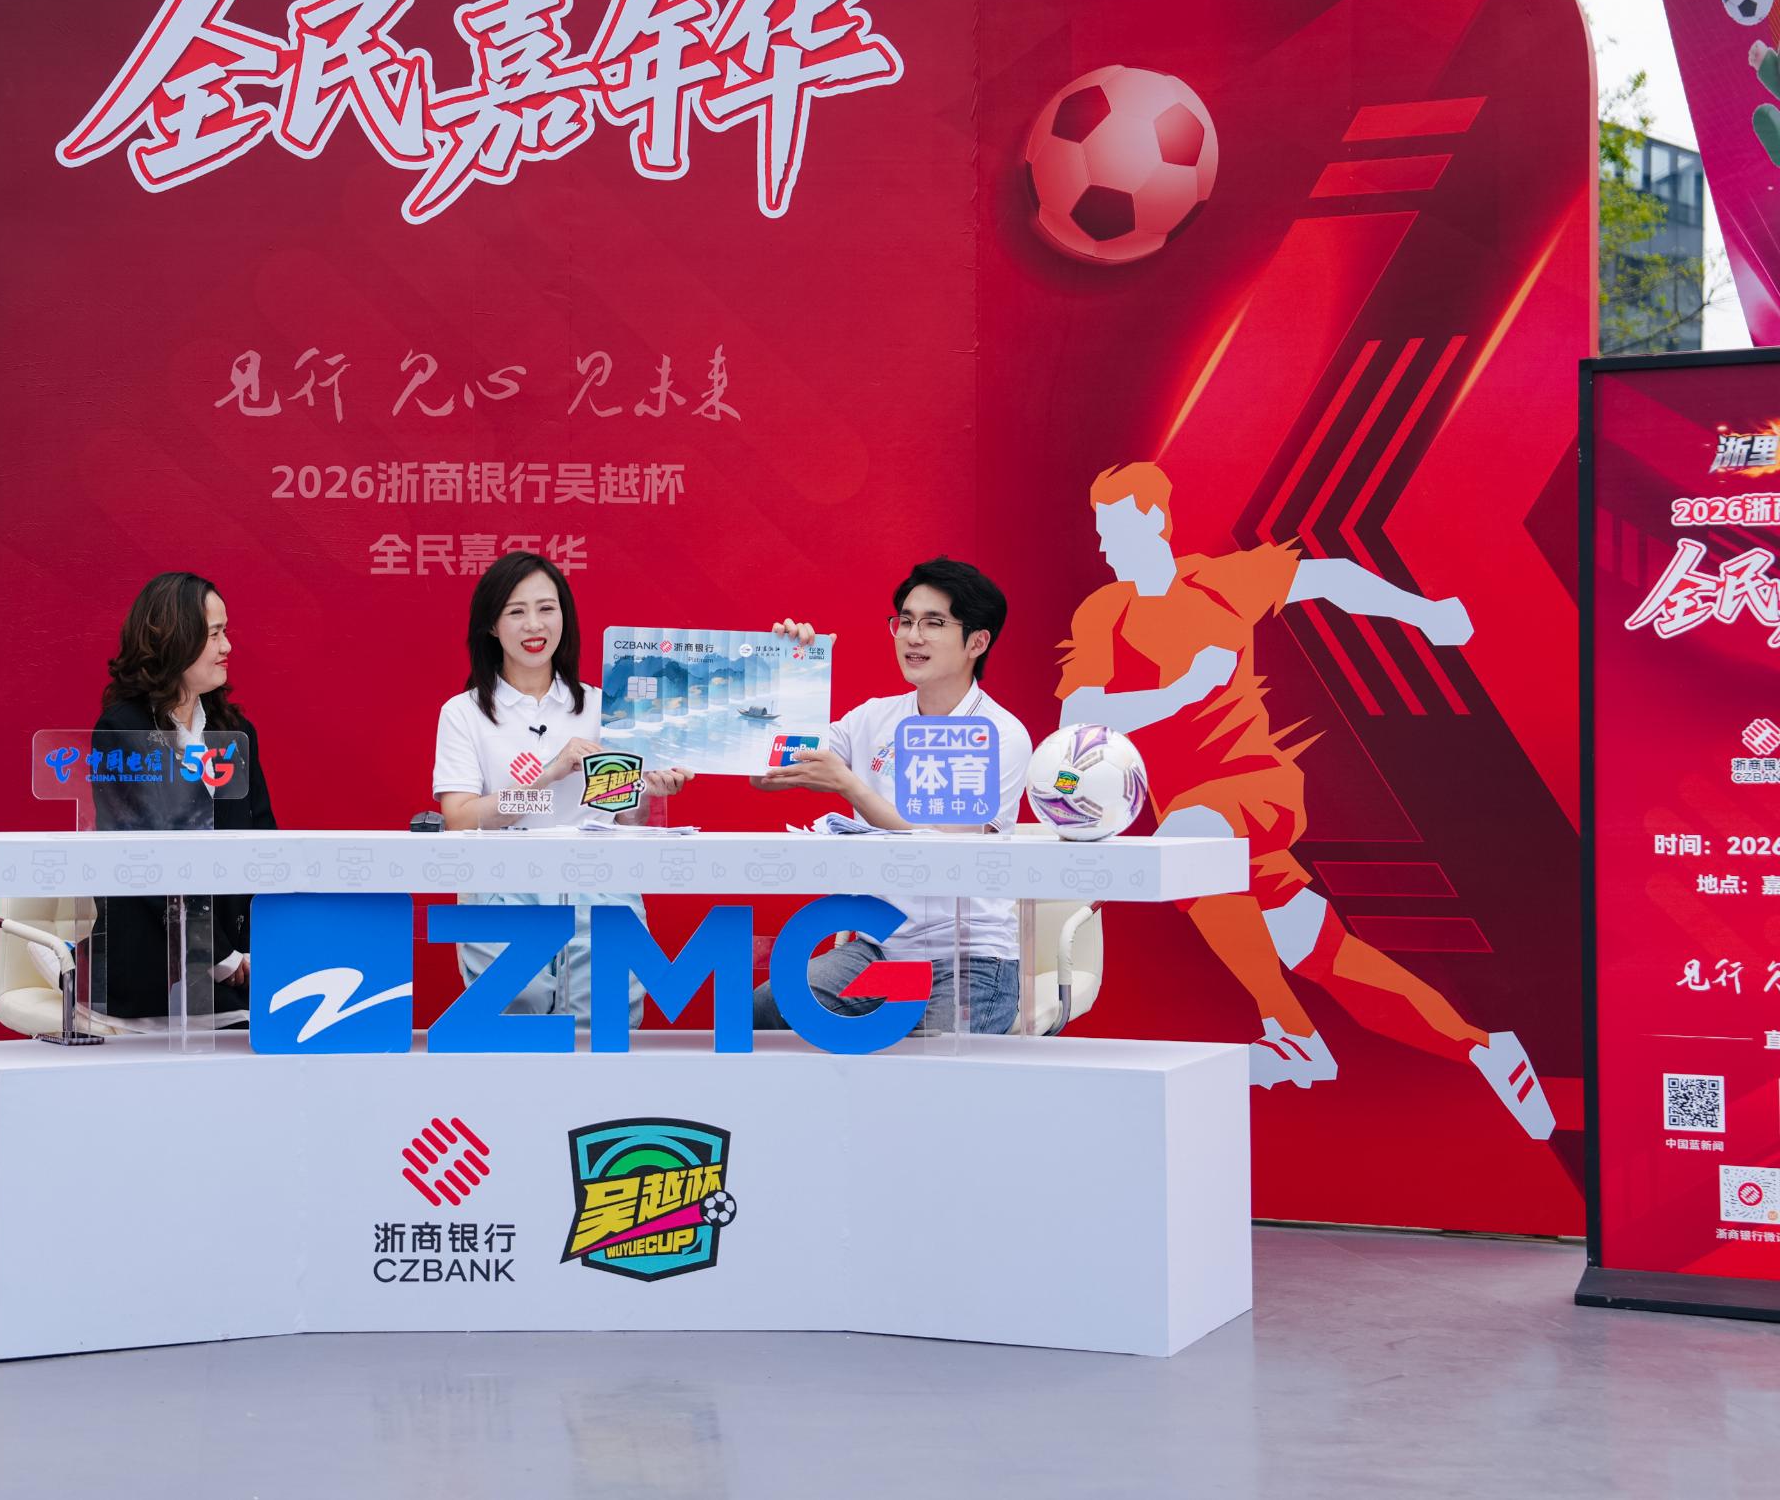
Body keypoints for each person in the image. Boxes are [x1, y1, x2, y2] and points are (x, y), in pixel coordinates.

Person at [1056, 461, 1553, 1137]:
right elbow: (1079, 715)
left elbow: (1333, 578)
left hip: (1256, 788)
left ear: (1153, 520)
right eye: (1098, 529)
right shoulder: (1104, 613)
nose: (1103, 544)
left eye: (1114, 527)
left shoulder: (1220, 582)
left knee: (1188, 840)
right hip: (1205, 819)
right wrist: (1182, 692)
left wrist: (1427, 614)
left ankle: (1290, 1033)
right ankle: (1486, 1049)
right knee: (1323, 954)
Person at [752, 557, 1032, 1036]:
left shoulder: (998, 734)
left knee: (937, 1069)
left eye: (933, 623)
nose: (912, 636)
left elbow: (946, 851)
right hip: (880, 951)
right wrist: (792, 675)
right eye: (904, 621)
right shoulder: (873, 718)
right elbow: (768, 771)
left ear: (977, 642)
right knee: (765, 1007)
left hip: (968, 957)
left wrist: (850, 786)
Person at [432, 551, 690, 1023]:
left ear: (564, 617)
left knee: (604, 1032)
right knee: (516, 1030)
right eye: (516, 611)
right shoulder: (464, 713)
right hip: (502, 891)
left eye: (546, 608)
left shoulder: (604, 707)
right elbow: (461, 817)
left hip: (601, 892)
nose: (534, 625)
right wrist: (548, 773)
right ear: (491, 626)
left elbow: (622, 817)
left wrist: (649, 794)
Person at [93, 571, 277, 1021]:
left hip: (239, 969)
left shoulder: (234, 732)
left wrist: (257, 948)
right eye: (214, 634)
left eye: (225, 631)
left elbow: (263, 841)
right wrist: (215, 955)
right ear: (173, 640)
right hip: (155, 971)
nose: (227, 646)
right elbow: (143, 860)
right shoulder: (123, 730)